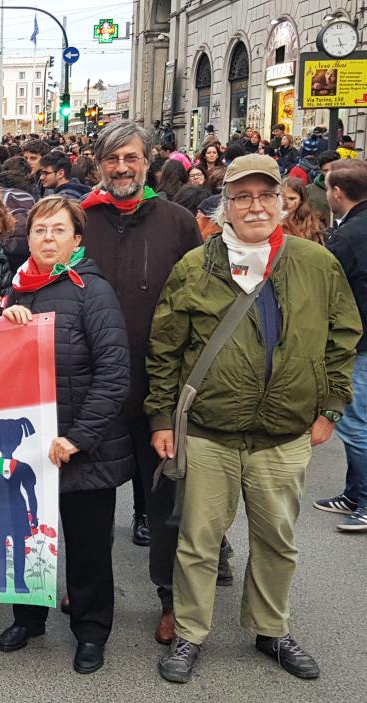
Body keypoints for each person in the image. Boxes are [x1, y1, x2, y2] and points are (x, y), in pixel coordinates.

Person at [148, 155, 360, 684]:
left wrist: (331, 405)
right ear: (226, 208)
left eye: (267, 195)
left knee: (277, 539)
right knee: (198, 540)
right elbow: (165, 349)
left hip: (283, 434)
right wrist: (161, 418)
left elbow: (343, 337)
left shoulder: (316, 263)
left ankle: (270, 628)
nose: (256, 206)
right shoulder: (196, 267)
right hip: (212, 432)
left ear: (285, 203)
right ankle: (191, 632)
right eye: (242, 197)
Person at [0, 195, 132, 675]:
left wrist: (78, 438)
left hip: (80, 449)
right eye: (39, 230)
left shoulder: (90, 290)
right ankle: (28, 619)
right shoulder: (17, 289)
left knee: (88, 547)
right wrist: (2, 323)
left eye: (58, 230)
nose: (47, 238)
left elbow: (114, 372)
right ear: (27, 237)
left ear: (77, 239)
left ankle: (91, 632)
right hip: (33, 448)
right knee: (29, 535)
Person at [79, 120, 202, 644]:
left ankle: (170, 600)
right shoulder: (81, 220)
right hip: (94, 390)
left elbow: (199, 302)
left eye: (131, 158)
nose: (122, 168)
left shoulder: (176, 222)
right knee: (89, 501)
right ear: (99, 165)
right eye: (112, 160)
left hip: (160, 390)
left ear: (148, 161)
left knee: (165, 506)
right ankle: (87, 590)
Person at [319, 159, 367, 532]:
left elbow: (329, 289)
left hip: (360, 340)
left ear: (337, 192)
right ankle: (353, 493)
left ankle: (364, 500)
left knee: (356, 424)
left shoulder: (347, 236)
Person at [281, 176, 326, 243]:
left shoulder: (313, 222)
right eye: (282, 199)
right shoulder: (272, 221)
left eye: (292, 199)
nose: (286, 203)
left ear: (301, 199)